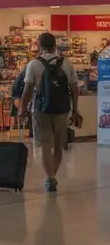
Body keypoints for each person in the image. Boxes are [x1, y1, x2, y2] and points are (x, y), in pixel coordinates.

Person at [19, 31, 80, 192]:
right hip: (62, 108)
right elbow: (75, 88)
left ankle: (50, 178)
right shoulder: (66, 63)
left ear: (39, 46)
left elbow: (27, 90)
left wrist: (22, 109)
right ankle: (52, 176)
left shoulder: (33, 64)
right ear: (55, 45)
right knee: (59, 143)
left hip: (40, 109)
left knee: (45, 144)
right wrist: (75, 109)